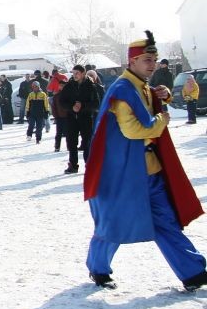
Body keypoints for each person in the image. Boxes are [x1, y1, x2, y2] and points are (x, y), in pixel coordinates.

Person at [83, 30, 207, 291]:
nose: (152, 64)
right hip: (123, 175)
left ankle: (194, 272)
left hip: (149, 171)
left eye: (154, 60)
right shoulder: (122, 90)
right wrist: (162, 120)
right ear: (133, 61)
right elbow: (133, 130)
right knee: (114, 223)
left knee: (166, 222)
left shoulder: (139, 86)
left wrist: (164, 95)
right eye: (147, 60)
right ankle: (98, 268)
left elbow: (148, 96)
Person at [60, 64, 99, 174]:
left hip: (86, 117)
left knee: (87, 142)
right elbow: (62, 102)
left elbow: (96, 104)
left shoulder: (91, 86)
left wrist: (83, 106)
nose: (75, 75)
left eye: (77, 73)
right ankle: (73, 165)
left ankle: (89, 164)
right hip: (71, 117)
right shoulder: (69, 86)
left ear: (83, 73)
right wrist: (71, 107)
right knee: (71, 142)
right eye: (73, 73)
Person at [50, 76, 69, 152]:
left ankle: (69, 146)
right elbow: (54, 107)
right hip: (59, 117)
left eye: (63, 85)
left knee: (68, 133)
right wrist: (55, 116)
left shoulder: (69, 95)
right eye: (60, 85)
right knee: (58, 133)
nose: (62, 87)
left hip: (68, 117)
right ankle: (57, 146)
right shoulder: (56, 96)